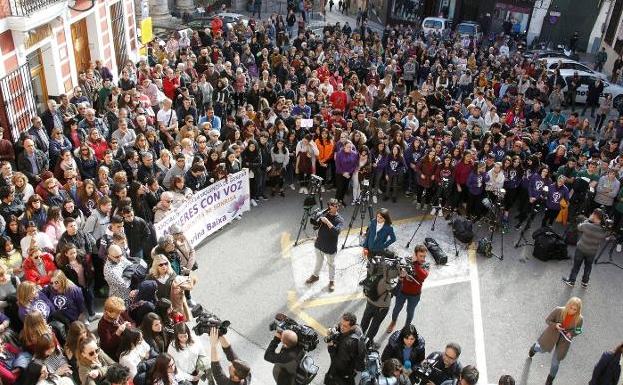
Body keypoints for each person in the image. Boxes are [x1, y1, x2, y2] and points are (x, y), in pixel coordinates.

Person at [528, 297, 584, 385]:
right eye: (571, 308)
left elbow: (578, 330)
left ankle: (550, 379)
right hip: (552, 334)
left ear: (578, 310)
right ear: (568, 305)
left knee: (555, 362)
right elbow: (547, 320)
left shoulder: (579, 319)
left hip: (564, 341)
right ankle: (534, 348)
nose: (572, 311)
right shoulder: (559, 310)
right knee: (542, 350)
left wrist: (571, 334)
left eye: (575, 309)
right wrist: (555, 325)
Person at [386, 244, 429, 333]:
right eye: (420, 256)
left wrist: (415, 263)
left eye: (424, 256)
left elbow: (423, 276)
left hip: (415, 295)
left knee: (410, 312)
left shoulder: (426, 264)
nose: (423, 258)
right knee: (396, 309)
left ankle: (406, 327)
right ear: (415, 254)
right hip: (402, 292)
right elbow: (397, 272)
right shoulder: (406, 260)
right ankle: (393, 322)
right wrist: (401, 275)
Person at [304, 199, 344, 292]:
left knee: (331, 265)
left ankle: (331, 281)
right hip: (319, 244)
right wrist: (317, 218)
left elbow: (336, 232)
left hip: (330, 247)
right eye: (329, 205)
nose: (329, 207)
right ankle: (315, 276)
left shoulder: (340, 220)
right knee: (318, 262)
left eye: (332, 205)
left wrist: (327, 221)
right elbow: (315, 225)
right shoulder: (325, 214)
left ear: (337, 207)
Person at [562, 208, 608, 287]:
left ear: (594, 215)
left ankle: (571, 281)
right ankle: (584, 282)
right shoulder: (604, 230)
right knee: (588, 267)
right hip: (592, 251)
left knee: (576, 266)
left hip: (581, 249)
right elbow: (606, 235)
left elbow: (579, 227)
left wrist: (588, 220)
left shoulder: (587, 225)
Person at [324, 312, 363, 385]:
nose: (341, 327)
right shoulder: (358, 329)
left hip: (343, 373)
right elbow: (340, 326)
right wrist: (334, 329)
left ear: (352, 326)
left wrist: (331, 347)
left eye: (345, 326)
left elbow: (337, 363)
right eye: (341, 324)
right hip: (351, 366)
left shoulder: (347, 344)